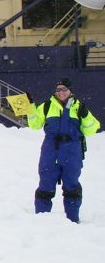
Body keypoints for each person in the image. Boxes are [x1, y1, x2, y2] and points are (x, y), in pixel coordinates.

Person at [27, 78, 100, 223]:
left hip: (72, 151)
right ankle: (41, 220)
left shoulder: (79, 107)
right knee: (45, 185)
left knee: (71, 186)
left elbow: (92, 129)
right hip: (50, 150)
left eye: (64, 89)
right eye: (58, 90)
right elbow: (34, 124)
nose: (61, 92)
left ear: (70, 91)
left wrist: (85, 115)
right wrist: (30, 107)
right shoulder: (47, 106)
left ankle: (72, 221)